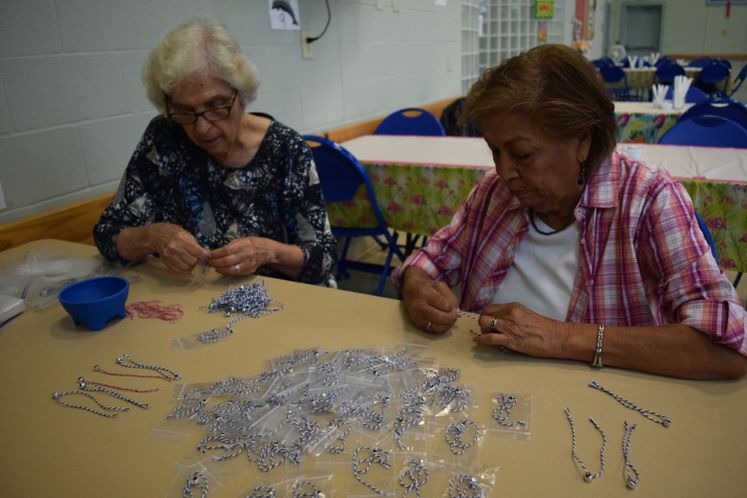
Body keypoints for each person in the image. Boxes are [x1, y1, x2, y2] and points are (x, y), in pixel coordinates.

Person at [392, 44, 747, 380]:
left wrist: (560, 338)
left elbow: (726, 347)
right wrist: (418, 286)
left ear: (582, 141)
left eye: (522, 154)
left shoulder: (648, 201)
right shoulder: (493, 194)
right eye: (494, 151)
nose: (504, 171)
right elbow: (428, 263)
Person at [94, 18, 336, 286]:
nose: (202, 128)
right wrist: (154, 236)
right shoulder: (164, 138)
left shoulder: (286, 150)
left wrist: (269, 252)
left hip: (277, 306)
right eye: (185, 111)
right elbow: (107, 234)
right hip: (188, 305)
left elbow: (323, 259)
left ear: (241, 93)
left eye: (216, 105)